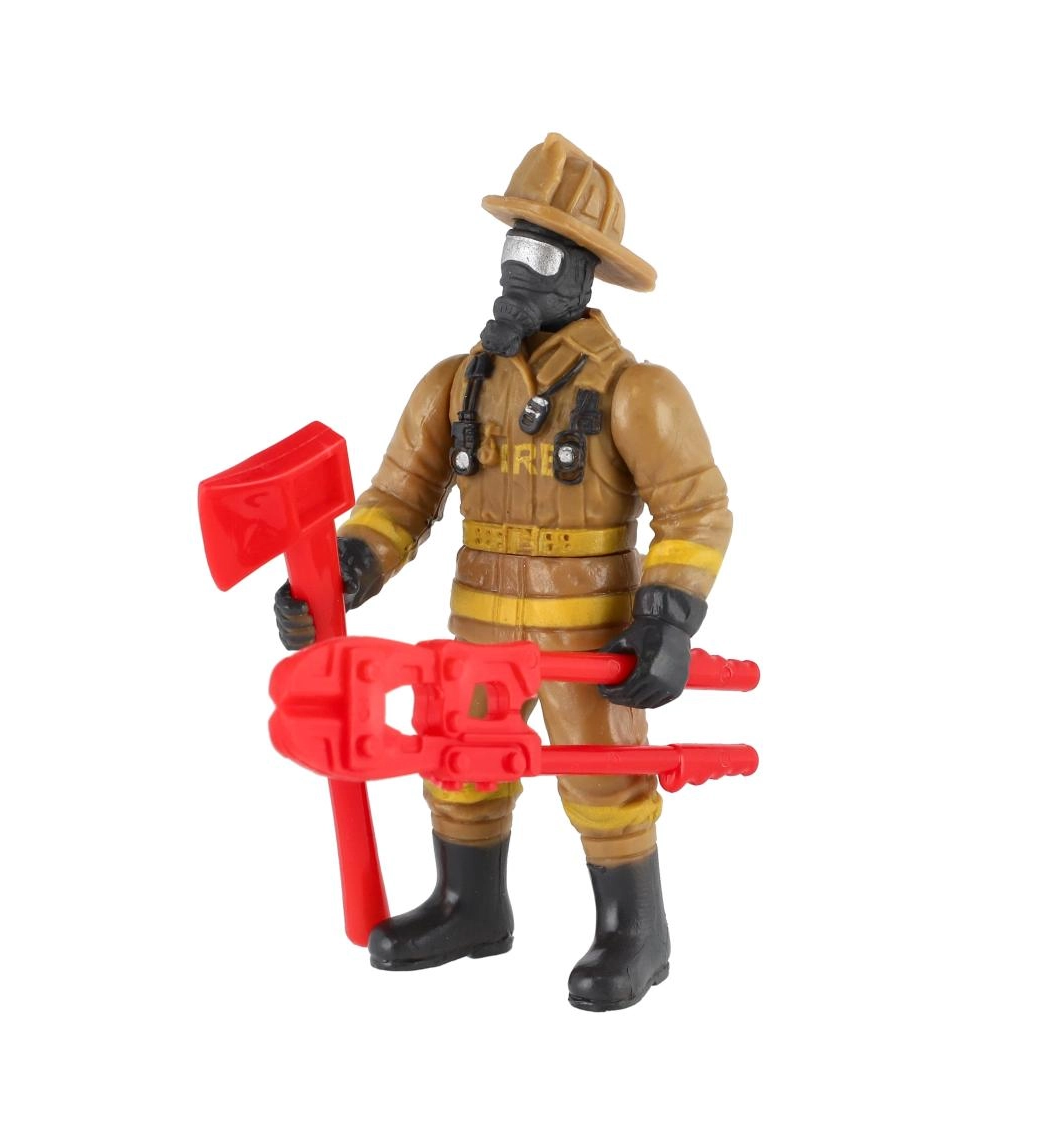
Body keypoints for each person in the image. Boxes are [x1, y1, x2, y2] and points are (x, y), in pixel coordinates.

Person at [275, 133, 733, 1011]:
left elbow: (697, 509)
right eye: (514, 245)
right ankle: (470, 906)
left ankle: (635, 933)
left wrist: (667, 618)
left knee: (603, 774)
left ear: (585, 274)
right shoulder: (458, 385)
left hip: (588, 634)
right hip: (479, 630)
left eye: (546, 254)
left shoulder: (638, 392)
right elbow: (399, 498)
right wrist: (350, 566)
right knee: (458, 762)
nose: (520, 270)